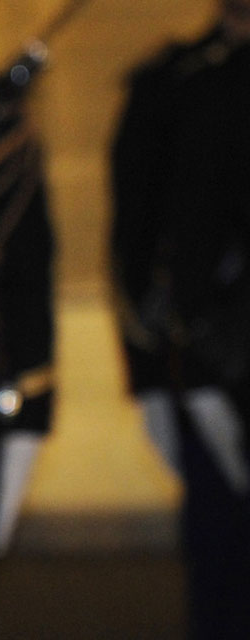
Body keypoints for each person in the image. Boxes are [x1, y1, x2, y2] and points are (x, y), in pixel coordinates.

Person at [110, 1, 250, 636]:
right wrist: (147, 369)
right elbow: (134, 239)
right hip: (212, 364)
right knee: (222, 562)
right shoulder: (171, 84)